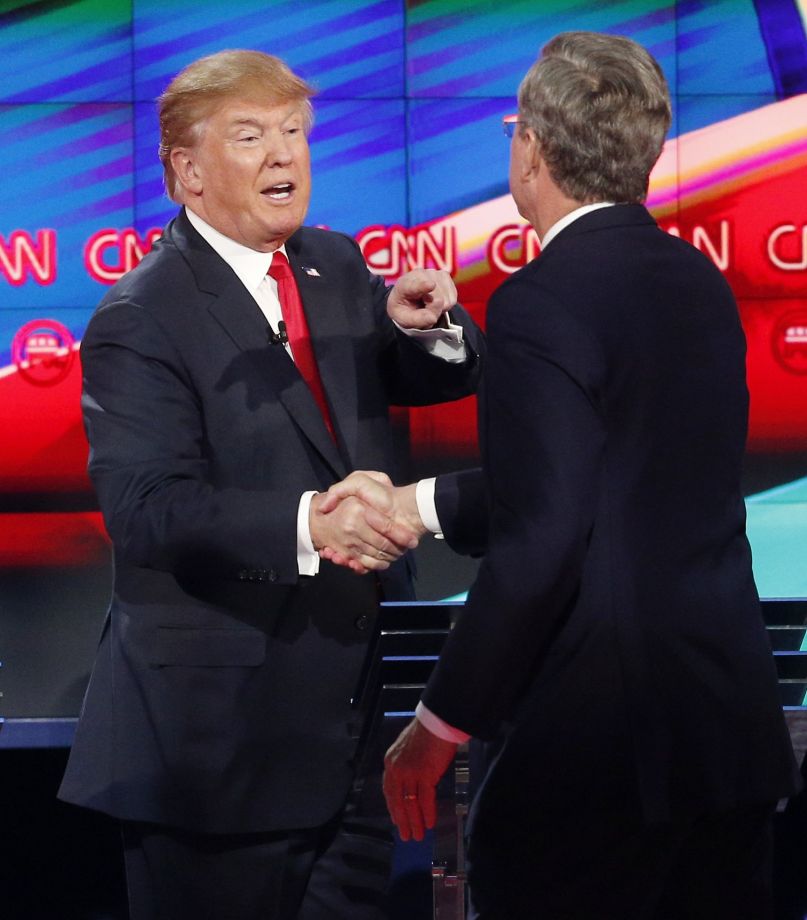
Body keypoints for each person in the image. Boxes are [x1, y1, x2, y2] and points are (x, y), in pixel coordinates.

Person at [320, 31, 802, 919]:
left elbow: (543, 540)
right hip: (721, 735)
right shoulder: (696, 282)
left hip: (596, 759)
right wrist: (415, 506)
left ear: (531, 147)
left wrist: (437, 725)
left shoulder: (541, 301)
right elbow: (617, 482)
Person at [57, 49, 483, 920]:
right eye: (250, 136)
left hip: (346, 743)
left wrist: (432, 327)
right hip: (213, 756)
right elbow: (148, 511)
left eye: (294, 132)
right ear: (186, 172)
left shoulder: (331, 264)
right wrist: (309, 526)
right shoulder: (142, 316)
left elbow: (423, 377)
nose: (284, 155)